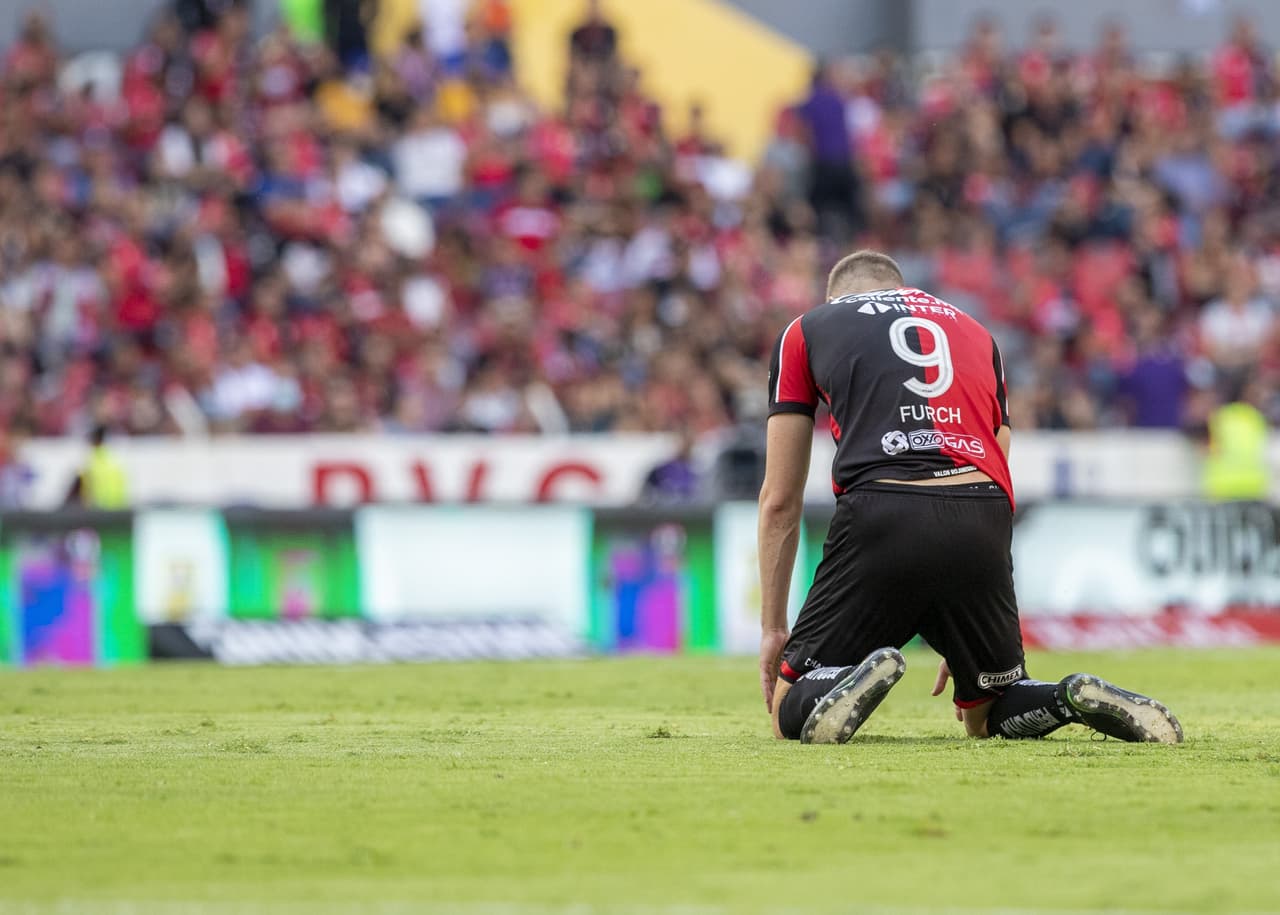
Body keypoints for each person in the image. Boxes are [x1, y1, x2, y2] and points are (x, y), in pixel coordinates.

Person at [757, 250, 1183, 744]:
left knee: (789, 707)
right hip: (980, 517)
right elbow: (998, 469)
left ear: (838, 298)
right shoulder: (979, 334)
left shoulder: (807, 329)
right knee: (990, 713)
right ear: (901, 287)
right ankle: (1065, 695)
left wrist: (772, 627)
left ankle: (842, 676)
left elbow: (780, 500)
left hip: (883, 510)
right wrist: (964, 614)